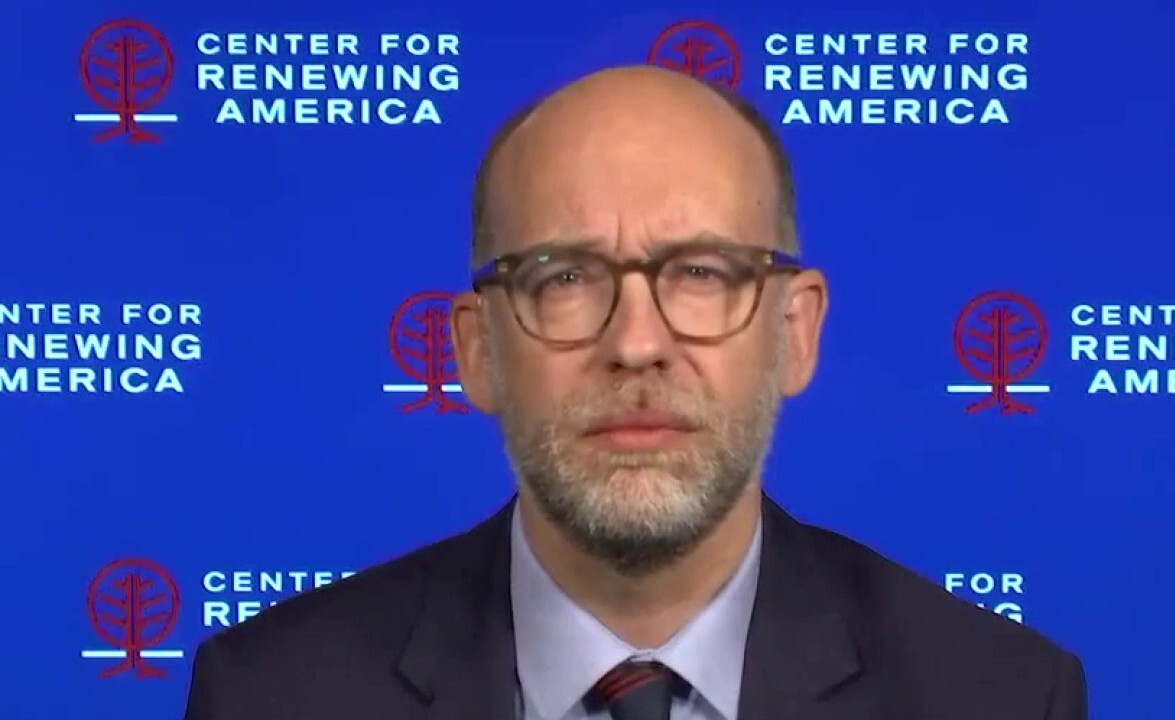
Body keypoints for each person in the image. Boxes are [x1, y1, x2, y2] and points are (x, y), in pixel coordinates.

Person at [182, 65, 1088, 720]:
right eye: (565, 278)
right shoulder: (270, 695)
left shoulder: (1001, 697)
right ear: (477, 350)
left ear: (797, 332)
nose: (637, 345)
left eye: (701, 272)